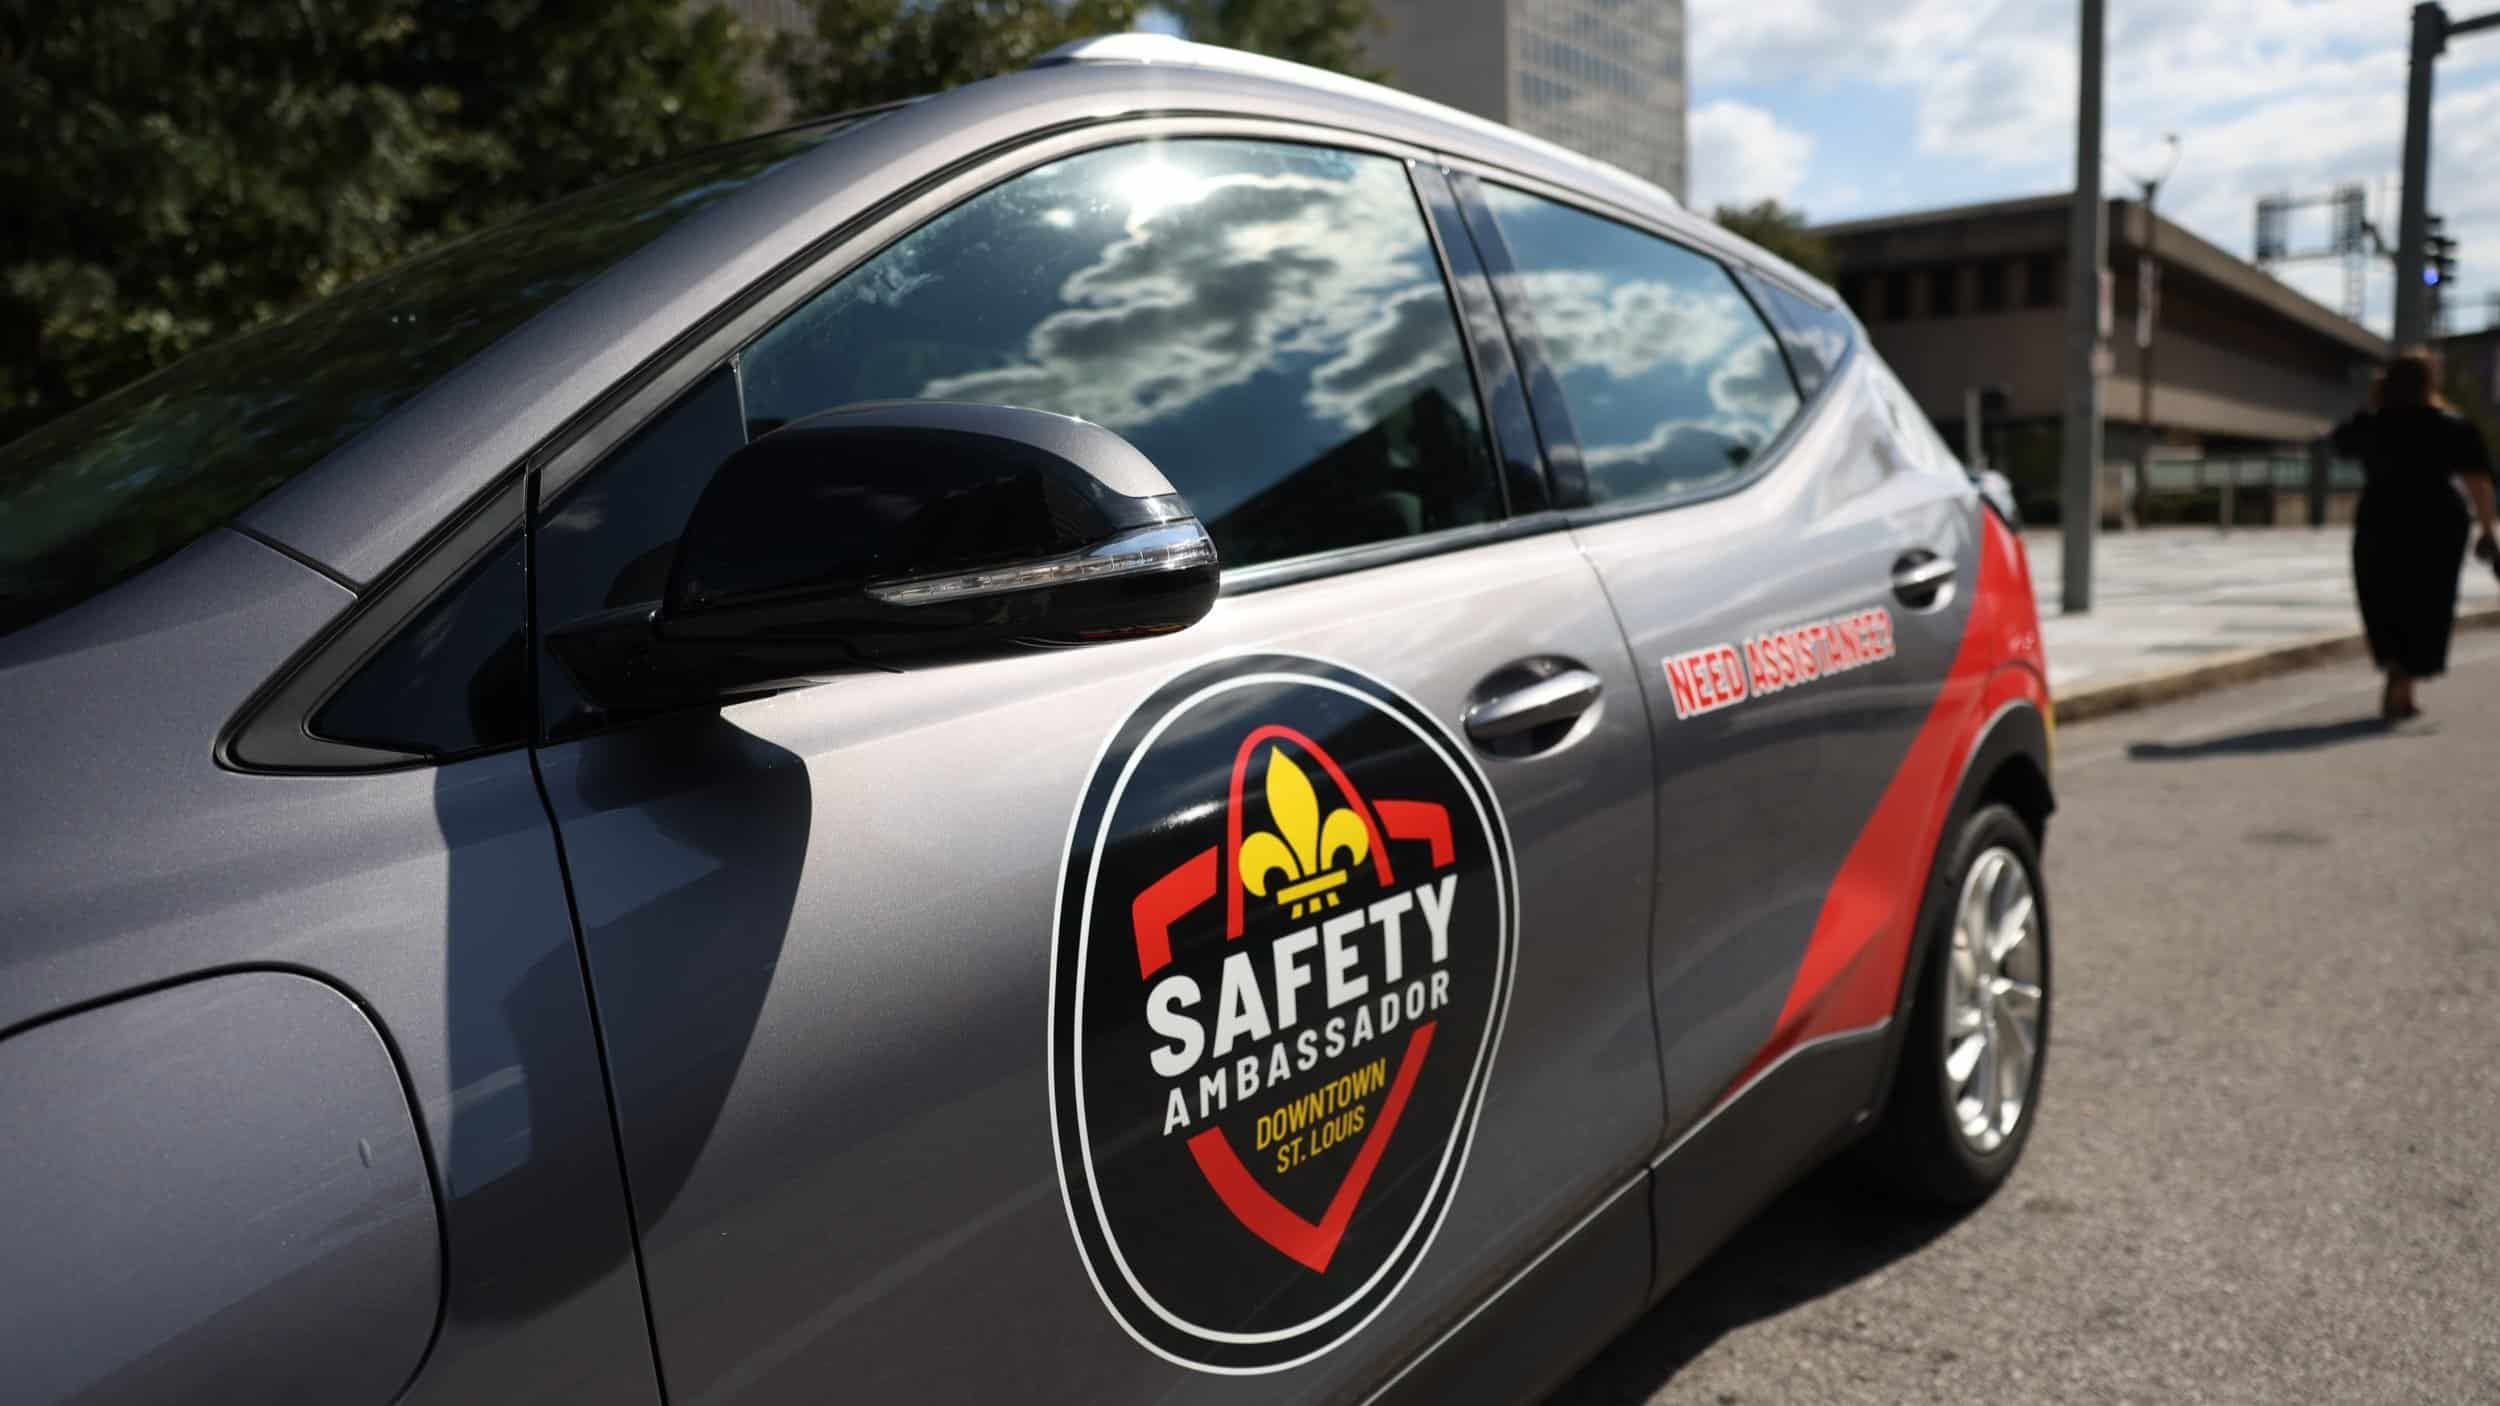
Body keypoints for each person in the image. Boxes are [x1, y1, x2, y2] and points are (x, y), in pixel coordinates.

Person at [2331, 349, 2500, 721]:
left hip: (2381, 519)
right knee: (2428, 603)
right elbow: (2478, 483)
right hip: (2437, 523)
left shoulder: (2372, 424)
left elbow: (2340, 442)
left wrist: (2373, 404)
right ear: (2429, 382)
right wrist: (2488, 531)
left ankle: (2396, 668)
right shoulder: (2451, 425)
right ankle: (2405, 678)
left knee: (2383, 598)